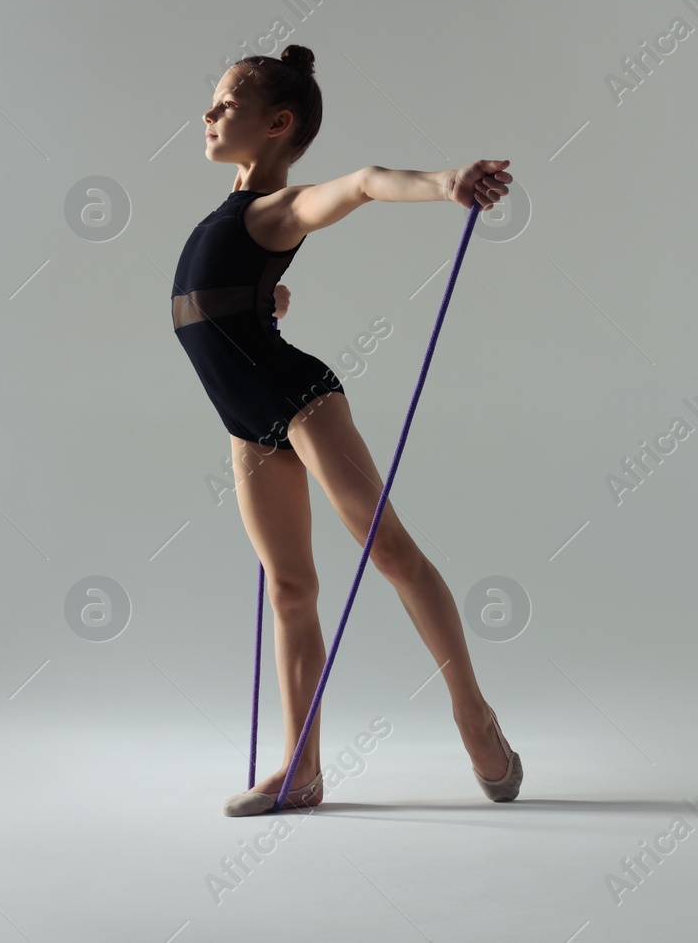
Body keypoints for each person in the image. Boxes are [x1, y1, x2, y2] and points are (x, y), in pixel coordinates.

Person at [170, 43, 521, 816]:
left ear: (277, 124)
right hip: (246, 424)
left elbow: (362, 183)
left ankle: (473, 711)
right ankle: (304, 770)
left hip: (301, 402)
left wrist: (445, 184)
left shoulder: (277, 208)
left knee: (389, 549)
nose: (210, 112)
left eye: (227, 103)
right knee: (290, 588)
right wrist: (266, 304)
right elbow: (221, 306)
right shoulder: (227, 220)